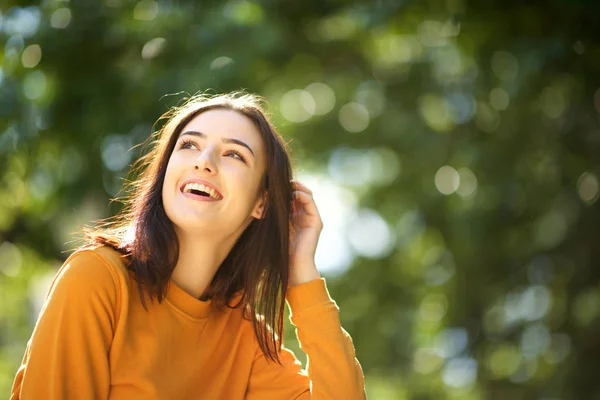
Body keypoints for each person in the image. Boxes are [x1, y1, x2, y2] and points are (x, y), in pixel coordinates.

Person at [10, 92, 366, 399]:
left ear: (261, 202)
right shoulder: (97, 278)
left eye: (234, 155)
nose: (203, 161)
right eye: (189, 144)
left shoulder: (246, 338)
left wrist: (301, 271)